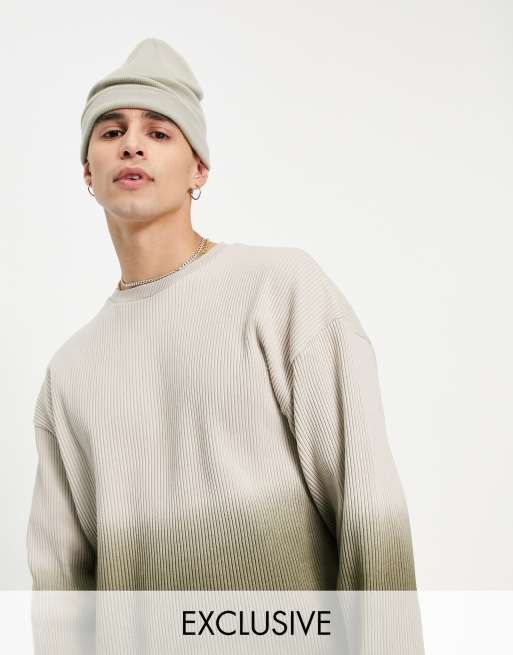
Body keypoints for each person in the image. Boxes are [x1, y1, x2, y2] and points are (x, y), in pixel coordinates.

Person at [26, 38, 421, 598]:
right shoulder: (70, 373)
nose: (132, 144)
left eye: (159, 133)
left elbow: (369, 506)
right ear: (89, 172)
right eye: (112, 132)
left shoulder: (279, 290)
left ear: (199, 170)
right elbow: (61, 588)